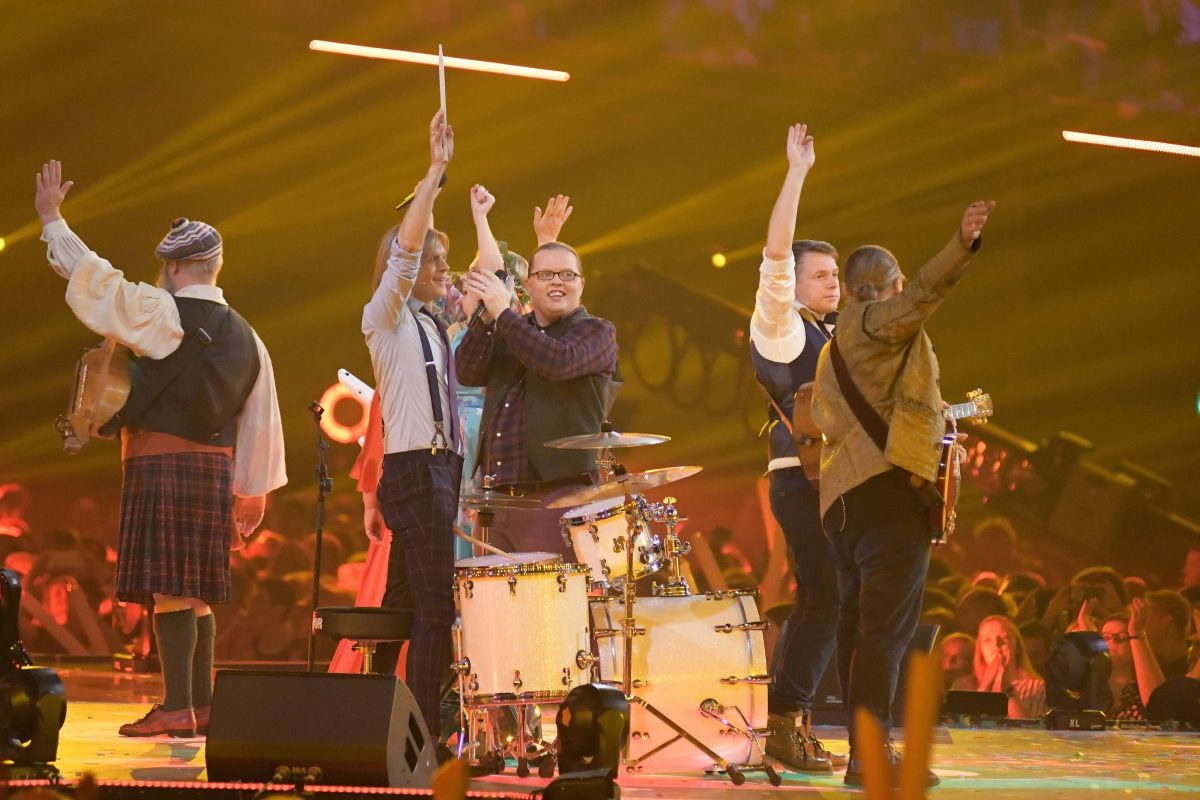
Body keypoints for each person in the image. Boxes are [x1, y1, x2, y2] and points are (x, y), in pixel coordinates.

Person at [34, 160, 286, 737]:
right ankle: (201, 706)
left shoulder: (163, 312)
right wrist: (252, 494)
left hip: (161, 464)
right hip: (215, 472)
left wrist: (53, 221)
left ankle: (176, 708)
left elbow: (99, 282)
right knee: (195, 594)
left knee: (172, 591)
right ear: (214, 267)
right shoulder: (251, 336)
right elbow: (261, 419)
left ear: (174, 267)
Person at [812, 193, 995, 787]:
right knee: (884, 631)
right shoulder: (876, 324)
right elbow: (924, 294)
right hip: (887, 498)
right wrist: (961, 246)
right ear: (886, 289)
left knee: (854, 628)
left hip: (842, 502)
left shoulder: (834, 342)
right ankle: (870, 755)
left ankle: (860, 753)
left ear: (845, 285)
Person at [360, 109, 464, 743]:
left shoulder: (430, 323)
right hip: (415, 469)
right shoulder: (387, 315)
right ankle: (424, 734)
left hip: (439, 469)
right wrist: (433, 174)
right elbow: (404, 251)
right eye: (434, 261)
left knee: (402, 605)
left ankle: (373, 720)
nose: (442, 271)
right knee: (436, 610)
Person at [748, 123, 844, 772]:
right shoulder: (782, 330)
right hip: (800, 480)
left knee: (824, 596)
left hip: (831, 481)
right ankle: (785, 720)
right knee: (828, 595)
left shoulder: (836, 335)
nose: (832, 282)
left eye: (836, 273)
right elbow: (776, 259)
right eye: (821, 275)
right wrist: (797, 173)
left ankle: (789, 720)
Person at [456, 201, 620, 560]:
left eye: (567, 275)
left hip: (556, 499)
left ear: (582, 284)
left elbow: (557, 361)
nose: (557, 282)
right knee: (495, 612)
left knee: (547, 611)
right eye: (546, 275)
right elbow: (467, 371)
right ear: (529, 285)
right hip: (497, 499)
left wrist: (504, 314)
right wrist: (485, 316)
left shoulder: (595, 331)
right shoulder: (513, 329)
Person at [951, 615, 1046, 718]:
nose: (996, 644)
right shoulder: (963, 686)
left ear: (1017, 646)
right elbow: (960, 729)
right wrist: (985, 686)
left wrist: (1008, 689)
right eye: (987, 640)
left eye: (1004, 638)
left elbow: (1029, 732)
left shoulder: (1037, 688)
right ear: (981, 650)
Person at [1101, 598, 1166, 720]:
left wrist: (1136, 633)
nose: (1112, 642)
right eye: (1105, 637)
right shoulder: (1094, 688)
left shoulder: (1143, 686)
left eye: (1121, 637)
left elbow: (1158, 704)